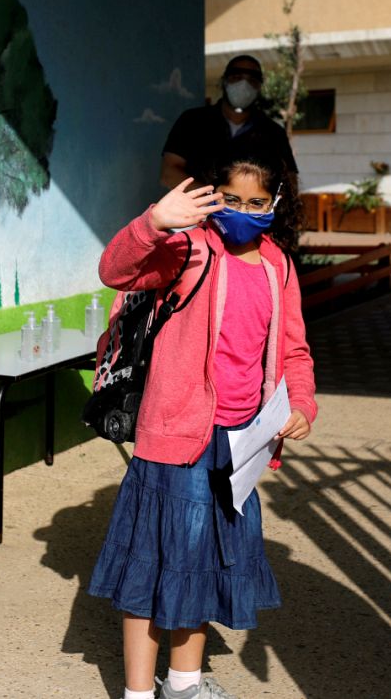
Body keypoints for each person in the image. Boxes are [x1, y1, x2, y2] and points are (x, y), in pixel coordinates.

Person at [88, 153, 318, 699]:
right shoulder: (188, 249)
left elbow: (295, 351)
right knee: (153, 564)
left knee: (202, 564)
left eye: (256, 202)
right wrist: (154, 222)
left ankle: (185, 683)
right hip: (176, 437)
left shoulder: (278, 266)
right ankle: (140, 693)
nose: (242, 211)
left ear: (276, 205)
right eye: (230, 198)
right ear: (213, 197)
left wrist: (302, 403)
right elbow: (114, 271)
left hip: (239, 445)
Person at [160, 55, 298, 189]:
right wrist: (213, 200)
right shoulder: (192, 121)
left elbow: (290, 183)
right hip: (197, 210)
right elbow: (169, 172)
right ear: (224, 81)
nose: (244, 84)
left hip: (251, 212)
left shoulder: (273, 133)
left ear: (259, 86)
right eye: (237, 77)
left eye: (252, 80)